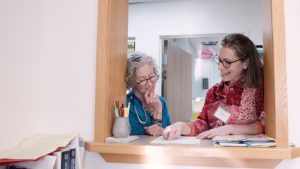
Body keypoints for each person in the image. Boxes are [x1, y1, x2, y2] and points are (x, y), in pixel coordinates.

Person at [163, 33, 264, 140]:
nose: (220, 67)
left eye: (227, 62)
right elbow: (203, 123)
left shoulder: (259, 90)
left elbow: (264, 125)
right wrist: (182, 126)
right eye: (219, 60)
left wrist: (230, 129)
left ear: (246, 63)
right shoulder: (213, 92)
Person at [126, 52, 171, 136]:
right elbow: (135, 135)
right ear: (132, 82)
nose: (150, 84)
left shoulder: (161, 102)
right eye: (143, 80)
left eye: (151, 77)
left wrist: (158, 110)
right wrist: (157, 119)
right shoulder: (127, 104)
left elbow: (169, 132)